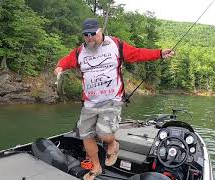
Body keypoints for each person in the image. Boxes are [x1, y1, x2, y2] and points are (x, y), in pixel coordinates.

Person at [54, 18, 174, 180]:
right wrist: (60, 66)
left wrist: (159, 53)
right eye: (86, 35)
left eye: (92, 34)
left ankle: (112, 143)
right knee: (86, 135)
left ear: (100, 30)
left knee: (103, 134)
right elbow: (66, 60)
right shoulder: (79, 52)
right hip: (90, 101)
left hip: (112, 99)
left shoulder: (115, 45)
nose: (89, 37)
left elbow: (137, 54)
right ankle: (96, 167)